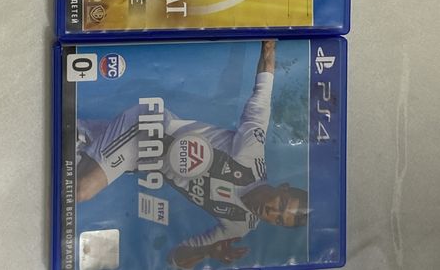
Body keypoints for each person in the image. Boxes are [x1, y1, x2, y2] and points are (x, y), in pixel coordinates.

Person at [76, 40, 308, 269]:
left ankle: (79, 134)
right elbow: (262, 96)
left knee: (72, 146)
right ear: (283, 187)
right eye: (281, 204)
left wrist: (207, 251)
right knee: (82, 189)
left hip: (142, 159)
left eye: (278, 219)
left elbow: (175, 258)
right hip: (147, 127)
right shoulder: (250, 154)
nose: (271, 211)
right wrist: (269, 42)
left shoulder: (238, 225)